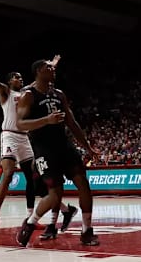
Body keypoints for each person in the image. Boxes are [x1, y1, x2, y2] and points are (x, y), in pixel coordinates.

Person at [0, 42, 77, 234]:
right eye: (16, 77)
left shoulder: (28, 93)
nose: (19, 78)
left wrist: (53, 64)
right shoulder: (5, 92)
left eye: (21, 76)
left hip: (26, 137)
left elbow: (43, 77)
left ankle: (40, 213)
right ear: (9, 82)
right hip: (9, 137)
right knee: (7, 174)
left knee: (36, 179)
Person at [15, 59, 100, 247]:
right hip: (44, 148)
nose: (53, 70)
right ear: (38, 71)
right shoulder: (28, 95)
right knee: (54, 194)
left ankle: (87, 231)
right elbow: (20, 124)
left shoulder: (59, 94)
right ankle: (30, 224)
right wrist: (46, 120)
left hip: (64, 145)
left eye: (53, 67)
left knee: (84, 185)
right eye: (49, 67)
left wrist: (87, 147)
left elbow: (72, 122)